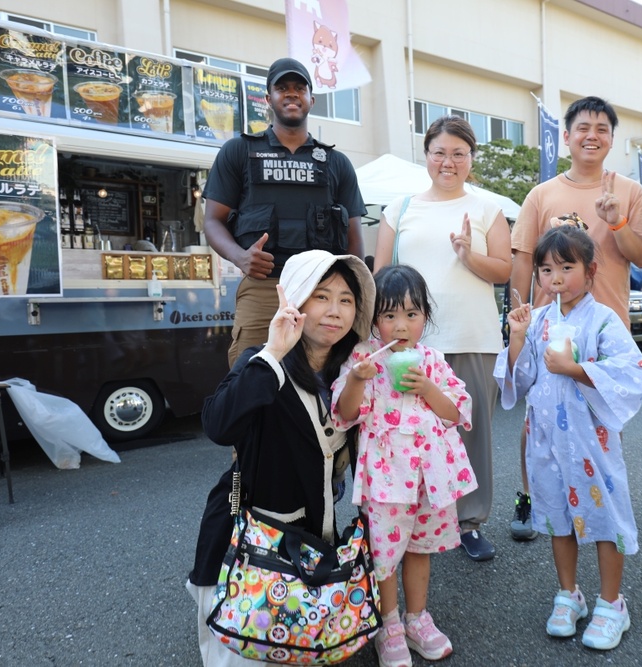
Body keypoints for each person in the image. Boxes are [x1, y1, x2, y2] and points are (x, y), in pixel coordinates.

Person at [186, 250, 375, 666]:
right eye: (321, 296)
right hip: (246, 544)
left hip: (309, 545)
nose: (335, 310)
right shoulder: (264, 361)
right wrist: (272, 353)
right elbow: (218, 425)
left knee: (300, 646)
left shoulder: (351, 374)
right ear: (295, 300)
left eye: (346, 300)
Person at [507, 96, 642, 541]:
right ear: (566, 136)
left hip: (605, 325)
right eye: (583, 127)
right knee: (539, 416)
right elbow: (523, 258)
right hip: (548, 326)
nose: (592, 135)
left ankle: (603, 496)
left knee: (604, 416)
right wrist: (517, 313)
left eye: (602, 129)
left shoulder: (629, 190)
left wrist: (616, 222)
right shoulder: (542, 194)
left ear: (611, 138)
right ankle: (532, 494)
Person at [495, 225, 642, 651]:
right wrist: (519, 339)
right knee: (557, 519)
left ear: (591, 270)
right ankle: (569, 594)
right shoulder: (540, 319)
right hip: (545, 441)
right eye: (545, 269)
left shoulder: (602, 319)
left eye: (566, 267)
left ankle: (612, 602)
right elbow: (520, 378)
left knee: (604, 520)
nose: (555, 278)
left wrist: (576, 369)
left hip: (590, 444)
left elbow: (630, 370)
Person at [372, 115, 510, 561]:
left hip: (473, 335)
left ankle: (468, 521)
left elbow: (506, 272)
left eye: (458, 153)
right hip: (410, 342)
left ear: (471, 158)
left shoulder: (488, 208)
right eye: (439, 152)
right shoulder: (401, 208)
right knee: (407, 431)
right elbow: (379, 277)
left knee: (469, 432)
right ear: (426, 156)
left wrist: (470, 255)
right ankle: (415, 516)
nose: (448, 162)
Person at [332, 264, 475, 667]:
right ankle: (389, 625)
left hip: (430, 478)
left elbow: (457, 412)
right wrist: (359, 379)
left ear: (425, 317)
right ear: (374, 319)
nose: (400, 325)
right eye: (390, 315)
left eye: (411, 314)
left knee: (419, 549)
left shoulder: (432, 359)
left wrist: (428, 387)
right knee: (385, 555)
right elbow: (343, 413)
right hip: (386, 480)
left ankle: (417, 618)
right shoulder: (364, 357)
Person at [203, 57, 366, 367]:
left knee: (322, 380)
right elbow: (213, 221)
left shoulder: (337, 163)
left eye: (299, 88)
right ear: (268, 99)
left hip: (321, 291)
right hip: (265, 287)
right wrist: (240, 257)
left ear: (311, 99)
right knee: (250, 375)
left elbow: (354, 242)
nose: (291, 94)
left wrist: (345, 295)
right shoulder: (239, 151)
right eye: (282, 88)